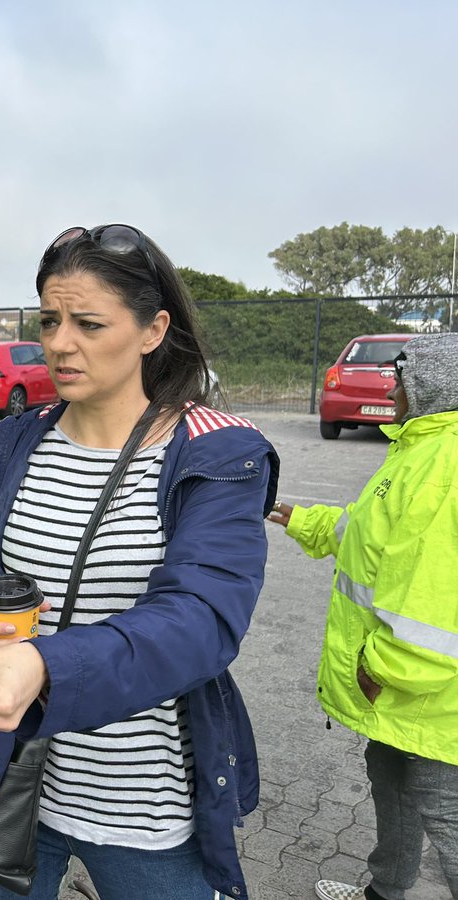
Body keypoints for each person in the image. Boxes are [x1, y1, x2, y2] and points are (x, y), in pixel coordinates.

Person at [0, 224, 279, 900]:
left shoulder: (219, 456)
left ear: (152, 330)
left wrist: (44, 666)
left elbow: (203, 620)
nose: (59, 342)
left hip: (142, 804)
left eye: (87, 322)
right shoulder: (5, 446)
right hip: (5, 777)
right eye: (50, 320)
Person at [267, 333, 458, 900]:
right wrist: (294, 515)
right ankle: (386, 890)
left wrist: (379, 669)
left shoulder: (446, 465)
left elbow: (436, 602)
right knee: (393, 783)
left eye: (399, 379)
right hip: (406, 690)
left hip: (427, 692)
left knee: (444, 812)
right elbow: (362, 533)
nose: (390, 388)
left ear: (431, 388)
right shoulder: (418, 449)